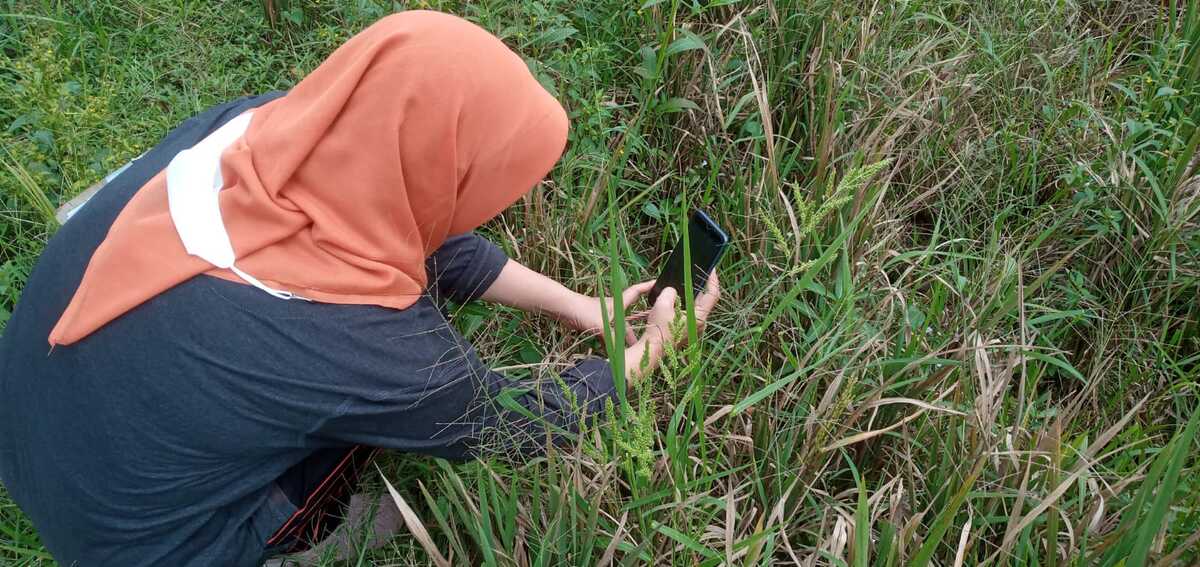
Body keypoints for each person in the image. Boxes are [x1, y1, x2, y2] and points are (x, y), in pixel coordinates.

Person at [0, 10, 720, 567]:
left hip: (25, 423)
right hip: (141, 549)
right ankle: (313, 532)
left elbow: (416, 225)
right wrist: (654, 346)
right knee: (376, 418)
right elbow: (512, 424)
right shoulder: (368, 345)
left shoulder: (268, 127)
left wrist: (576, 305)